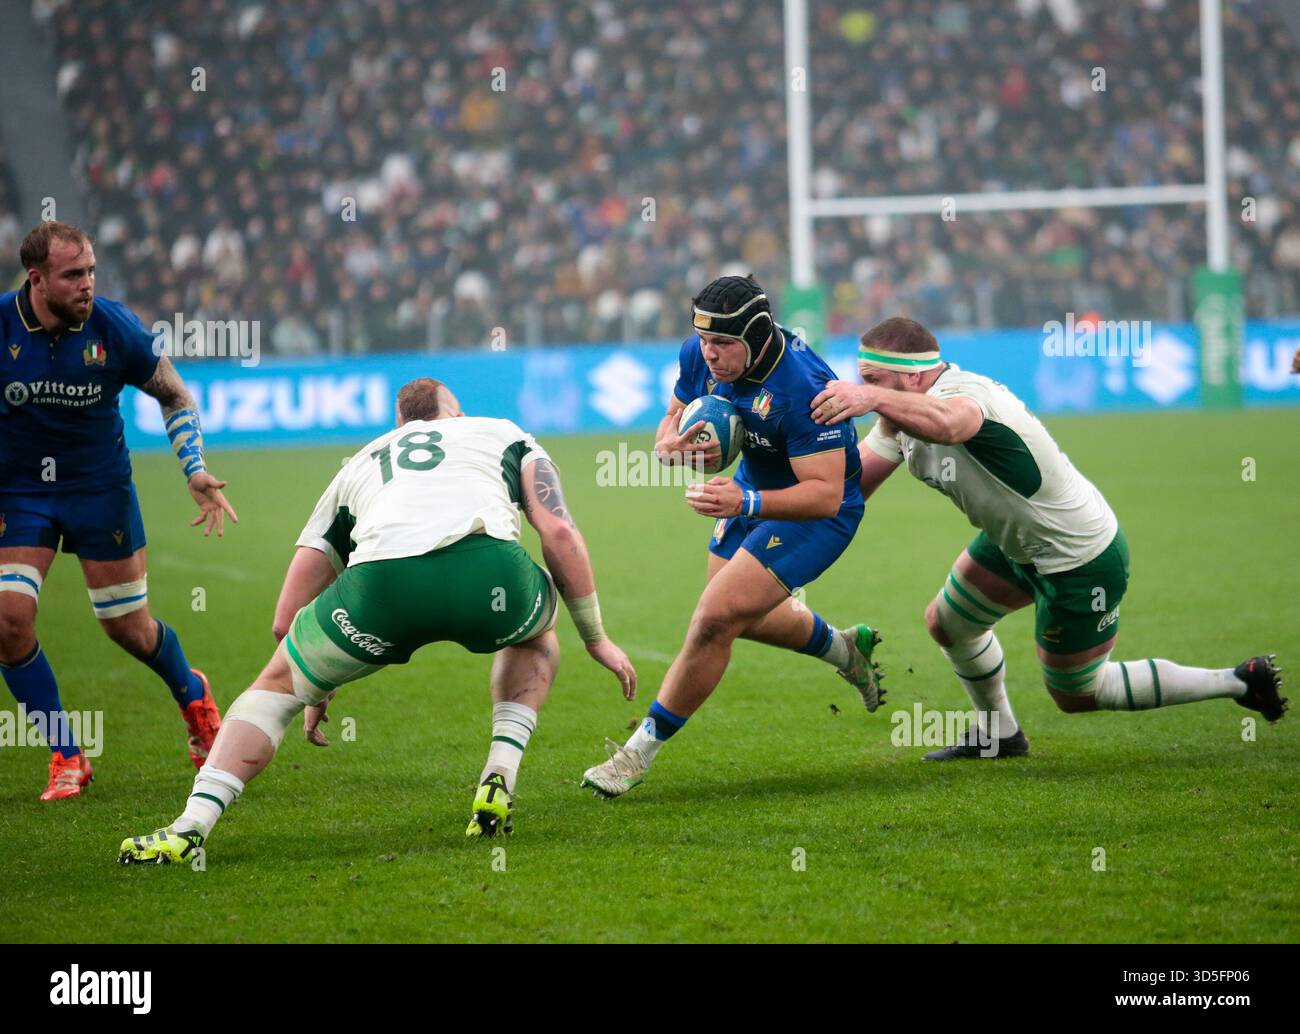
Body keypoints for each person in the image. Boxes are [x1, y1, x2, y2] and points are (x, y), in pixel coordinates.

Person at [119, 377, 636, 862]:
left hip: (381, 590)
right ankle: (499, 773)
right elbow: (560, 534)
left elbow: (286, 615)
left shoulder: (359, 462)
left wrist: (315, 688)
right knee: (535, 635)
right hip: (491, 580)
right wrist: (597, 639)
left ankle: (190, 828)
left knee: (273, 690)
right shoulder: (502, 432)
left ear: (399, 426)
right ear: (452, 414)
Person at [810, 317, 1285, 759]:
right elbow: (849, 490)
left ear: (913, 378)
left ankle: (1240, 681)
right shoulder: (898, 417)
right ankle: (999, 734)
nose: (864, 390)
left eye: (873, 380)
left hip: (1077, 555)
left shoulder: (965, 394)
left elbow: (953, 425)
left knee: (1079, 693)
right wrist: (761, 507)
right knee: (948, 623)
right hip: (1013, 543)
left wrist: (871, 400)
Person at [581, 275, 881, 799]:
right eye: (704, 342)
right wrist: (667, 446)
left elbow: (826, 494)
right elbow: (675, 415)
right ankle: (844, 649)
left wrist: (745, 502)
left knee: (714, 619)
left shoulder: (807, 388)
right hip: (749, 489)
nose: (709, 355)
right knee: (744, 618)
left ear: (759, 334)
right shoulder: (700, 353)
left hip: (814, 513)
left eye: (722, 345)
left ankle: (635, 755)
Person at [0, 221, 235, 800]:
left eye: (91, 272)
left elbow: (175, 394)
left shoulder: (115, 327)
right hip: (21, 492)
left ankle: (194, 695)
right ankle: (66, 753)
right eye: (73, 275)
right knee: (7, 621)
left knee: (127, 628)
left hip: (99, 489)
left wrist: (195, 468)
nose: (87, 285)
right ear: (37, 279)